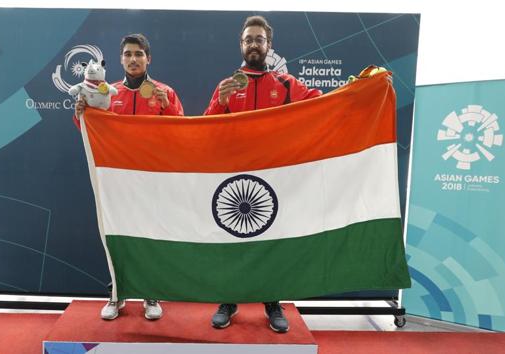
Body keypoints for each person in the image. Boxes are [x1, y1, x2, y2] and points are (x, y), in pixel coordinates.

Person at [203, 16, 322, 333]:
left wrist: (361, 89)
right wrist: (221, 102)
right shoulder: (225, 86)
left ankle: (272, 302)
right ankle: (228, 300)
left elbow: (323, 106)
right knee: (232, 239)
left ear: (269, 45)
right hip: (234, 178)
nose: (253, 44)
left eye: (259, 39)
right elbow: (205, 131)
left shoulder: (286, 85)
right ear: (241, 45)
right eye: (248, 39)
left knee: (271, 241)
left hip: (274, 178)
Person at [74, 33, 184, 320]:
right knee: (117, 236)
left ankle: (151, 293)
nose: (133, 59)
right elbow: (92, 131)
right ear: (121, 59)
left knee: (150, 235)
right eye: (128, 54)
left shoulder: (165, 92)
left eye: (138, 54)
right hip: (118, 179)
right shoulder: (106, 92)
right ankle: (117, 293)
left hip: (152, 178)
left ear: (148, 58)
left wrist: (168, 106)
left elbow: (182, 134)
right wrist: (81, 115)